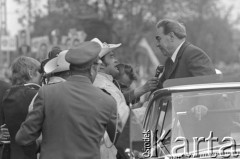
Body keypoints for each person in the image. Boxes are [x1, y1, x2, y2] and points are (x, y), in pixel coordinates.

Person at [15, 41, 118, 159]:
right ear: (93, 68)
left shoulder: (46, 93)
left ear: (71, 67)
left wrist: (40, 147)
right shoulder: (107, 101)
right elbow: (123, 141)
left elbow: (23, 138)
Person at [0, 56, 41, 159]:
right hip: (29, 153)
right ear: (31, 73)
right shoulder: (35, 95)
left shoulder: (8, 94)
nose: (42, 76)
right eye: (39, 72)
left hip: (12, 153)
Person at [155, 19, 216, 88]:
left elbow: (209, 90)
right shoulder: (169, 61)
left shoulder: (194, 55)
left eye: (158, 39)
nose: (157, 44)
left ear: (171, 36)